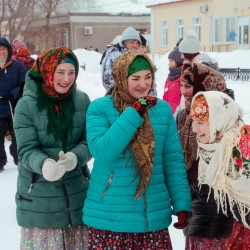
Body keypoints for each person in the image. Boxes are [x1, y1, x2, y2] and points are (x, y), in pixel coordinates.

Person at [83, 50, 191, 249]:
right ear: (121, 78)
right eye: (136, 78)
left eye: (148, 77)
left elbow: (172, 161)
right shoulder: (99, 108)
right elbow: (102, 152)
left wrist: (182, 202)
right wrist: (133, 112)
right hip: (110, 220)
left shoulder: (162, 110)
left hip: (152, 218)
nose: (144, 84)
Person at [14, 46, 91, 249]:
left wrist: (75, 158)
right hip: (40, 203)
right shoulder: (26, 105)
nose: (66, 79)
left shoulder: (82, 101)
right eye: (60, 72)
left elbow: (88, 141)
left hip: (77, 199)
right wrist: (45, 164)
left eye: (71, 72)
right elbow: (26, 150)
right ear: (47, 71)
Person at [176, 62, 234, 249]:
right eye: (182, 85)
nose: (184, 91)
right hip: (193, 202)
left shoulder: (225, 118)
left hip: (218, 211)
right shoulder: (183, 116)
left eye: (189, 85)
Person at [189, 91, 250, 250]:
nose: (194, 129)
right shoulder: (207, 148)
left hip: (240, 234)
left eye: (201, 122)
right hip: (206, 234)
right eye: (193, 121)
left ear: (220, 120)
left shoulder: (244, 145)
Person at [101, 27, 157, 97]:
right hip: (120, 99)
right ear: (124, 42)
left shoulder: (137, 56)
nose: (135, 45)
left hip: (140, 97)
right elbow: (109, 81)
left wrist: (152, 98)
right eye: (132, 42)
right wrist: (125, 96)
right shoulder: (115, 56)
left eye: (137, 43)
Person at [0, 37, 26, 172]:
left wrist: (13, 93)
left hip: (13, 106)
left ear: (9, 50)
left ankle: (19, 157)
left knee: (17, 135)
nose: (1, 52)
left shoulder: (17, 66)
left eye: (4, 49)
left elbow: (25, 82)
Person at [163, 46, 184, 114]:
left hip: (178, 113)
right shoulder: (169, 76)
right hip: (168, 112)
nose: (169, 64)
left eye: (171, 61)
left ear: (178, 61)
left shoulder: (183, 76)